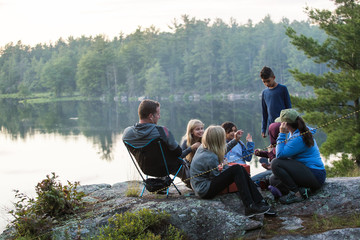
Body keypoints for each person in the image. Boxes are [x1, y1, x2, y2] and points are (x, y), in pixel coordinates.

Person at [190, 125, 276, 217]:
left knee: (239, 169)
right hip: (204, 189)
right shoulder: (210, 157)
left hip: (202, 185)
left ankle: (259, 202)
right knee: (237, 169)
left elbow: (222, 151)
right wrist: (226, 166)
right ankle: (250, 206)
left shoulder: (205, 147)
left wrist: (235, 140)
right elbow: (216, 176)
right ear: (218, 140)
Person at [122, 99, 190, 185]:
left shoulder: (127, 133)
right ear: (151, 116)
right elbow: (178, 152)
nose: (159, 116)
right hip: (167, 168)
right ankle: (195, 184)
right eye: (158, 114)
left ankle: (161, 184)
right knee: (181, 162)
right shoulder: (162, 131)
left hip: (146, 170)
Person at [269, 109, 326, 204]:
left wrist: (282, 134)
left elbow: (279, 156)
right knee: (273, 179)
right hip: (305, 172)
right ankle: (304, 190)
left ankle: (297, 194)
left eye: (281, 123)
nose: (280, 125)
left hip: (315, 174)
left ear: (286, 124)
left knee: (275, 163)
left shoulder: (299, 137)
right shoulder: (297, 132)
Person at [260, 66, 291, 139]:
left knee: (284, 146)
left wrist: (289, 125)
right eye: (264, 82)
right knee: (274, 148)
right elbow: (264, 113)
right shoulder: (264, 93)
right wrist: (263, 129)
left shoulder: (282, 89)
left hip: (283, 126)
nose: (266, 83)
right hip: (272, 126)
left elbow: (288, 108)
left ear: (273, 77)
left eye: (268, 81)